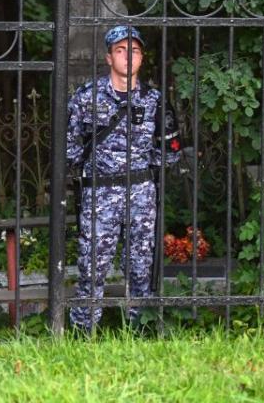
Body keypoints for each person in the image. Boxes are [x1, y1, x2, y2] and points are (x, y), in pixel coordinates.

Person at [66, 25, 181, 332]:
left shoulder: (155, 101)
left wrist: (142, 171)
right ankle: (82, 334)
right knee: (91, 269)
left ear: (142, 58)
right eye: (120, 50)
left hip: (141, 195)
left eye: (135, 50)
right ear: (108, 57)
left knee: (141, 270)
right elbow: (70, 149)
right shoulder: (85, 98)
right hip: (99, 196)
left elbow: (167, 152)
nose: (128, 56)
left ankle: (140, 331)